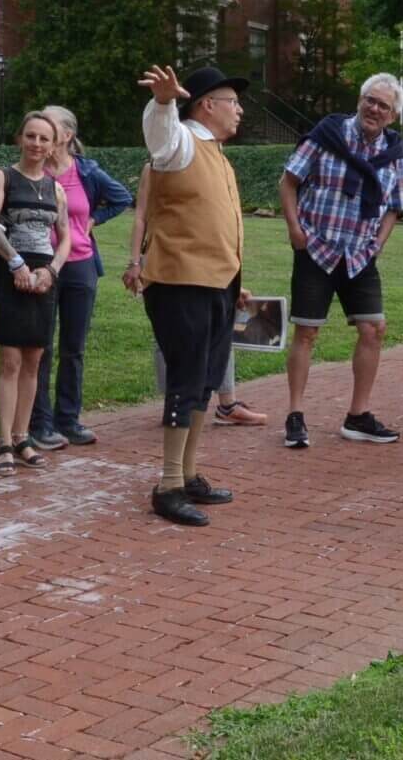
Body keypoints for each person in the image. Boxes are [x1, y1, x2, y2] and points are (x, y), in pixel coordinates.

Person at [139, 63, 251, 526]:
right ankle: (167, 485)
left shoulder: (218, 155)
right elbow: (158, 133)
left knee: (206, 381)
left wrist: (235, 282)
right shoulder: (181, 142)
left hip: (217, 284)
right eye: (233, 103)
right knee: (186, 380)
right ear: (208, 105)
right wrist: (163, 100)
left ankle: (186, 475)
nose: (240, 111)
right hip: (180, 282)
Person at [278, 73, 403, 448]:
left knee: (374, 329)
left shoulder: (393, 153)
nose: (374, 108)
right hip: (317, 248)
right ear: (360, 100)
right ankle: (295, 415)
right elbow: (288, 182)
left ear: (392, 115)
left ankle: (358, 416)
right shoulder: (328, 135)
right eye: (370, 99)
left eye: (383, 105)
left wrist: (378, 244)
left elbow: (394, 207)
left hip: (359, 256)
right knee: (307, 331)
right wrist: (294, 229)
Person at [123, 162, 273, 426]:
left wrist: (234, 280)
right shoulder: (157, 166)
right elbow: (141, 215)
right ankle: (176, 405)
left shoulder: (218, 164)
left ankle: (225, 404)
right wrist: (135, 263)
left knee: (217, 330)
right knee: (170, 336)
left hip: (206, 262)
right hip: (164, 261)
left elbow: (224, 223)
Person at [26, 105, 134, 449]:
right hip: (42, 264)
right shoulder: (33, 169)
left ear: (67, 135)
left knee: (74, 348)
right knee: (40, 345)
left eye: (50, 126)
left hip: (81, 265)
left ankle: (68, 419)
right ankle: (39, 423)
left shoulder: (86, 172)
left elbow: (122, 198)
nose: (42, 130)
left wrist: (93, 220)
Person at [0, 113, 70, 476]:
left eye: (44, 139)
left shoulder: (55, 189)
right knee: (10, 361)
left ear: (53, 145)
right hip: (9, 272)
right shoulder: (3, 176)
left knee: (34, 360)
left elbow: (65, 238)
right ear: (21, 139)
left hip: (44, 277)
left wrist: (51, 272)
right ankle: (3, 440)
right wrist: (16, 264)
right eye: (30, 136)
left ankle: (22, 436)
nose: (36, 144)